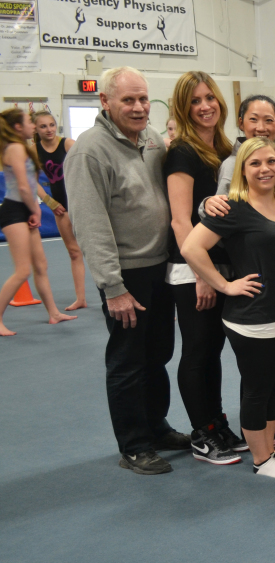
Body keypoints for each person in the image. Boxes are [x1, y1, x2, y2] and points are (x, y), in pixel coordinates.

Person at [65, 66, 191, 474]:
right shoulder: (89, 151)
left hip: (160, 268)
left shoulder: (153, 140)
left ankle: (156, 427)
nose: (138, 108)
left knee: (158, 354)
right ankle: (134, 445)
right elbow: (90, 223)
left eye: (143, 99)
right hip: (126, 275)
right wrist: (112, 286)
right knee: (128, 361)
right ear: (105, 102)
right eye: (128, 100)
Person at [181, 137, 275, 479]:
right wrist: (224, 285)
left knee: (274, 390)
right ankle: (261, 461)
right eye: (255, 163)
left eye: (270, 162)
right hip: (251, 319)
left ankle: (269, 453)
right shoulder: (232, 208)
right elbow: (192, 247)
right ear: (242, 170)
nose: (264, 169)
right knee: (257, 389)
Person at [164, 71, 243, 465]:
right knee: (197, 351)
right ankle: (201, 432)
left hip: (221, 265)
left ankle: (216, 422)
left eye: (210, 98)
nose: (205, 106)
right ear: (184, 107)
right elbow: (180, 221)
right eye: (195, 101)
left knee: (213, 350)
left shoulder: (226, 149)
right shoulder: (182, 151)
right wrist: (201, 275)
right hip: (191, 268)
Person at [0, 108, 77, 336]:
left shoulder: (23, 147)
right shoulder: (14, 148)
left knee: (40, 266)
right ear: (17, 127)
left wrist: (32, 210)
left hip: (25, 210)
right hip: (15, 211)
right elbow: (24, 186)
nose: (33, 126)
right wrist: (36, 210)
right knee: (23, 270)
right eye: (29, 122)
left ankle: (53, 313)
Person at [33, 110, 87, 310]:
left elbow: (87, 168)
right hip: (60, 206)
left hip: (79, 202)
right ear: (36, 129)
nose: (49, 130)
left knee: (102, 249)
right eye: (43, 126)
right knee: (74, 252)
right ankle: (80, 298)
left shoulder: (68, 144)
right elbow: (29, 179)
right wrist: (49, 201)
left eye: (52, 125)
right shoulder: (34, 150)